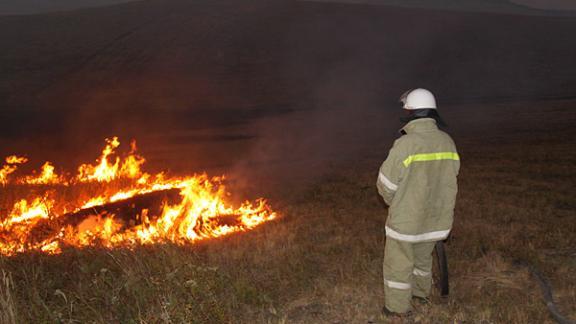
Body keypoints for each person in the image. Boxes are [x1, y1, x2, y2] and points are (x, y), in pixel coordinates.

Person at [376, 88, 460, 316]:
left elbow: (385, 185)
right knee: (423, 260)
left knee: (398, 264)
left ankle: (396, 309)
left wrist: (399, 204)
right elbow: (451, 180)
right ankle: (421, 296)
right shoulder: (447, 142)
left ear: (411, 112)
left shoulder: (405, 144)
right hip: (436, 220)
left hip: (407, 221)